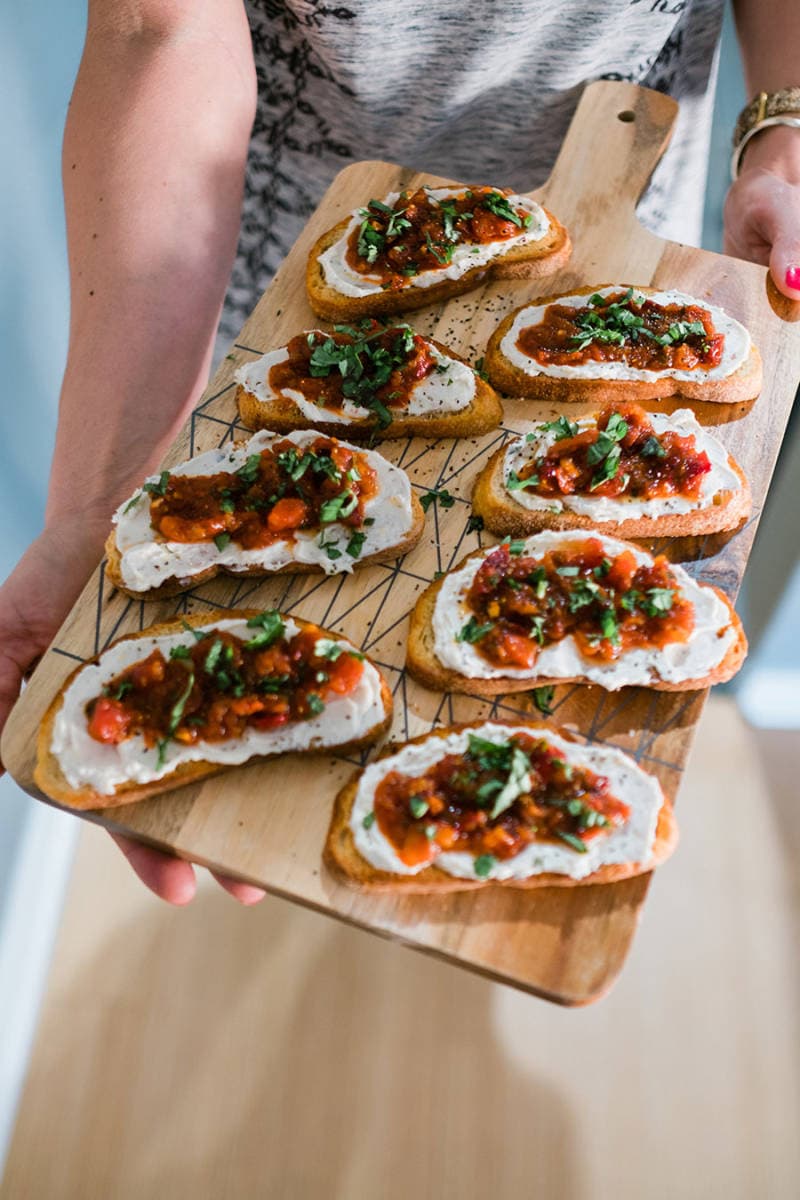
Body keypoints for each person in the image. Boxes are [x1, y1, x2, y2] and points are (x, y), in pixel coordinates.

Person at [1, 0, 798, 905]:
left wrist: (787, 120)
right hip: (267, 219)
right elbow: (159, 29)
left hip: (632, 198)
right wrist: (98, 498)